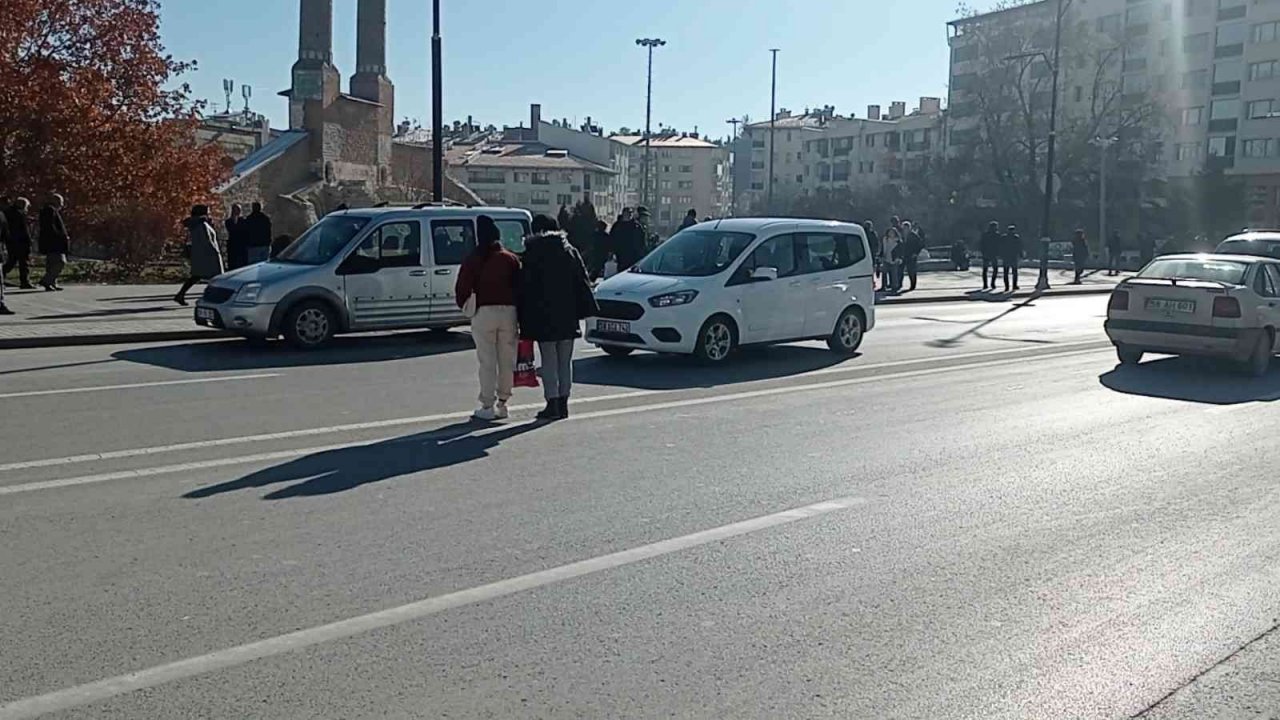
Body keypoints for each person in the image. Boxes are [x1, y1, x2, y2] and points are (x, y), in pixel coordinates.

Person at [518, 214, 598, 421]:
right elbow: (582, 282)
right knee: (565, 361)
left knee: (549, 362)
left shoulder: (532, 253)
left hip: (543, 316)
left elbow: (525, 289)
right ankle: (563, 404)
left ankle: (551, 403)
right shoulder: (569, 251)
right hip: (568, 314)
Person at [456, 215, 521, 421]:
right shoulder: (510, 258)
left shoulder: (473, 258)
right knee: (506, 360)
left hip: (483, 312)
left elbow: (462, 288)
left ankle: (487, 404)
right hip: (509, 312)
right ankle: (503, 403)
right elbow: (521, 286)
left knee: (487, 361)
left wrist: (467, 305)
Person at [174, 205, 224, 305]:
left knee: (196, 276)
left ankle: (181, 294)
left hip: (199, 254)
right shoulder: (202, 225)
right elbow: (208, 241)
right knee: (217, 278)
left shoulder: (195, 224)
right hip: (208, 255)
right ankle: (215, 298)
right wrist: (216, 252)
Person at [38, 193, 69, 291]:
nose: (62, 205)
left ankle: (52, 282)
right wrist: (60, 237)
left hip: (51, 242)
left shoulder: (49, 210)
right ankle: (47, 280)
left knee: (51, 263)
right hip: (54, 242)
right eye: (61, 202)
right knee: (60, 262)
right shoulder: (50, 210)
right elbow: (51, 227)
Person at [3, 197, 34, 289]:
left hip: (11, 241)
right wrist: (29, 241)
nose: (27, 209)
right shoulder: (19, 215)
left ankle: (3, 273)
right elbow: (24, 230)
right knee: (23, 262)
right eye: (27, 207)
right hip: (21, 241)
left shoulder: (8, 213)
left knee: (12, 260)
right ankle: (25, 282)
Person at [610, 207, 646, 271]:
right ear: (624, 214)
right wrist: (612, 251)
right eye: (628, 213)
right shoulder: (617, 226)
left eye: (631, 213)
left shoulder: (636, 226)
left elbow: (641, 240)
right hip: (621, 254)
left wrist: (641, 252)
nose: (629, 215)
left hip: (634, 255)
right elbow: (612, 239)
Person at [901, 221, 925, 292]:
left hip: (911, 255)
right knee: (900, 270)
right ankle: (898, 284)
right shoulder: (901, 235)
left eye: (906, 227)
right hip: (903, 255)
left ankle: (913, 285)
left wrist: (915, 253)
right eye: (904, 228)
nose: (905, 229)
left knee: (911, 271)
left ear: (909, 228)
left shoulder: (913, 235)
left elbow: (921, 244)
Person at [225, 203, 249, 270]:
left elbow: (244, 231)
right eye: (235, 210)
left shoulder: (244, 221)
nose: (236, 212)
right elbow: (232, 230)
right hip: (233, 245)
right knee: (232, 263)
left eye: (238, 210)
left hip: (241, 245)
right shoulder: (228, 221)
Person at [980, 221, 1002, 291]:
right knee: (994, 269)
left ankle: (986, 284)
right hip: (993, 254)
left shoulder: (985, 234)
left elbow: (981, 244)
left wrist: (983, 252)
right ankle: (992, 283)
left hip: (987, 253)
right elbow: (999, 245)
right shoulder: (997, 235)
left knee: (985, 270)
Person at [881, 226, 903, 293]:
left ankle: (894, 287)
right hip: (886, 258)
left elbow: (901, 251)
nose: (891, 234)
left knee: (894, 274)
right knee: (884, 273)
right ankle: (883, 286)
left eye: (892, 232)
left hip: (894, 259)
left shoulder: (898, 241)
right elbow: (883, 249)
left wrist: (900, 258)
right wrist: (880, 256)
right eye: (890, 232)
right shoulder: (885, 240)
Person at [1001, 224, 1022, 292]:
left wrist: (1001, 255)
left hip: (1006, 257)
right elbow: (1019, 247)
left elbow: (1001, 247)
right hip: (1013, 257)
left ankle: (1007, 286)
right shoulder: (1016, 237)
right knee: (1014, 272)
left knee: (1006, 272)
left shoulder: (1004, 237)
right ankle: (1014, 285)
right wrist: (1020, 254)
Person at [862, 220, 882, 289]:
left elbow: (876, 244)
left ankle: (872, 281)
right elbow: (876, 244)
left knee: (870, 269)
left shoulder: (867, 233)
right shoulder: (871, 233)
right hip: (870, 253)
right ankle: (872, 282)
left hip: (869, 253)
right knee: (871, 268)